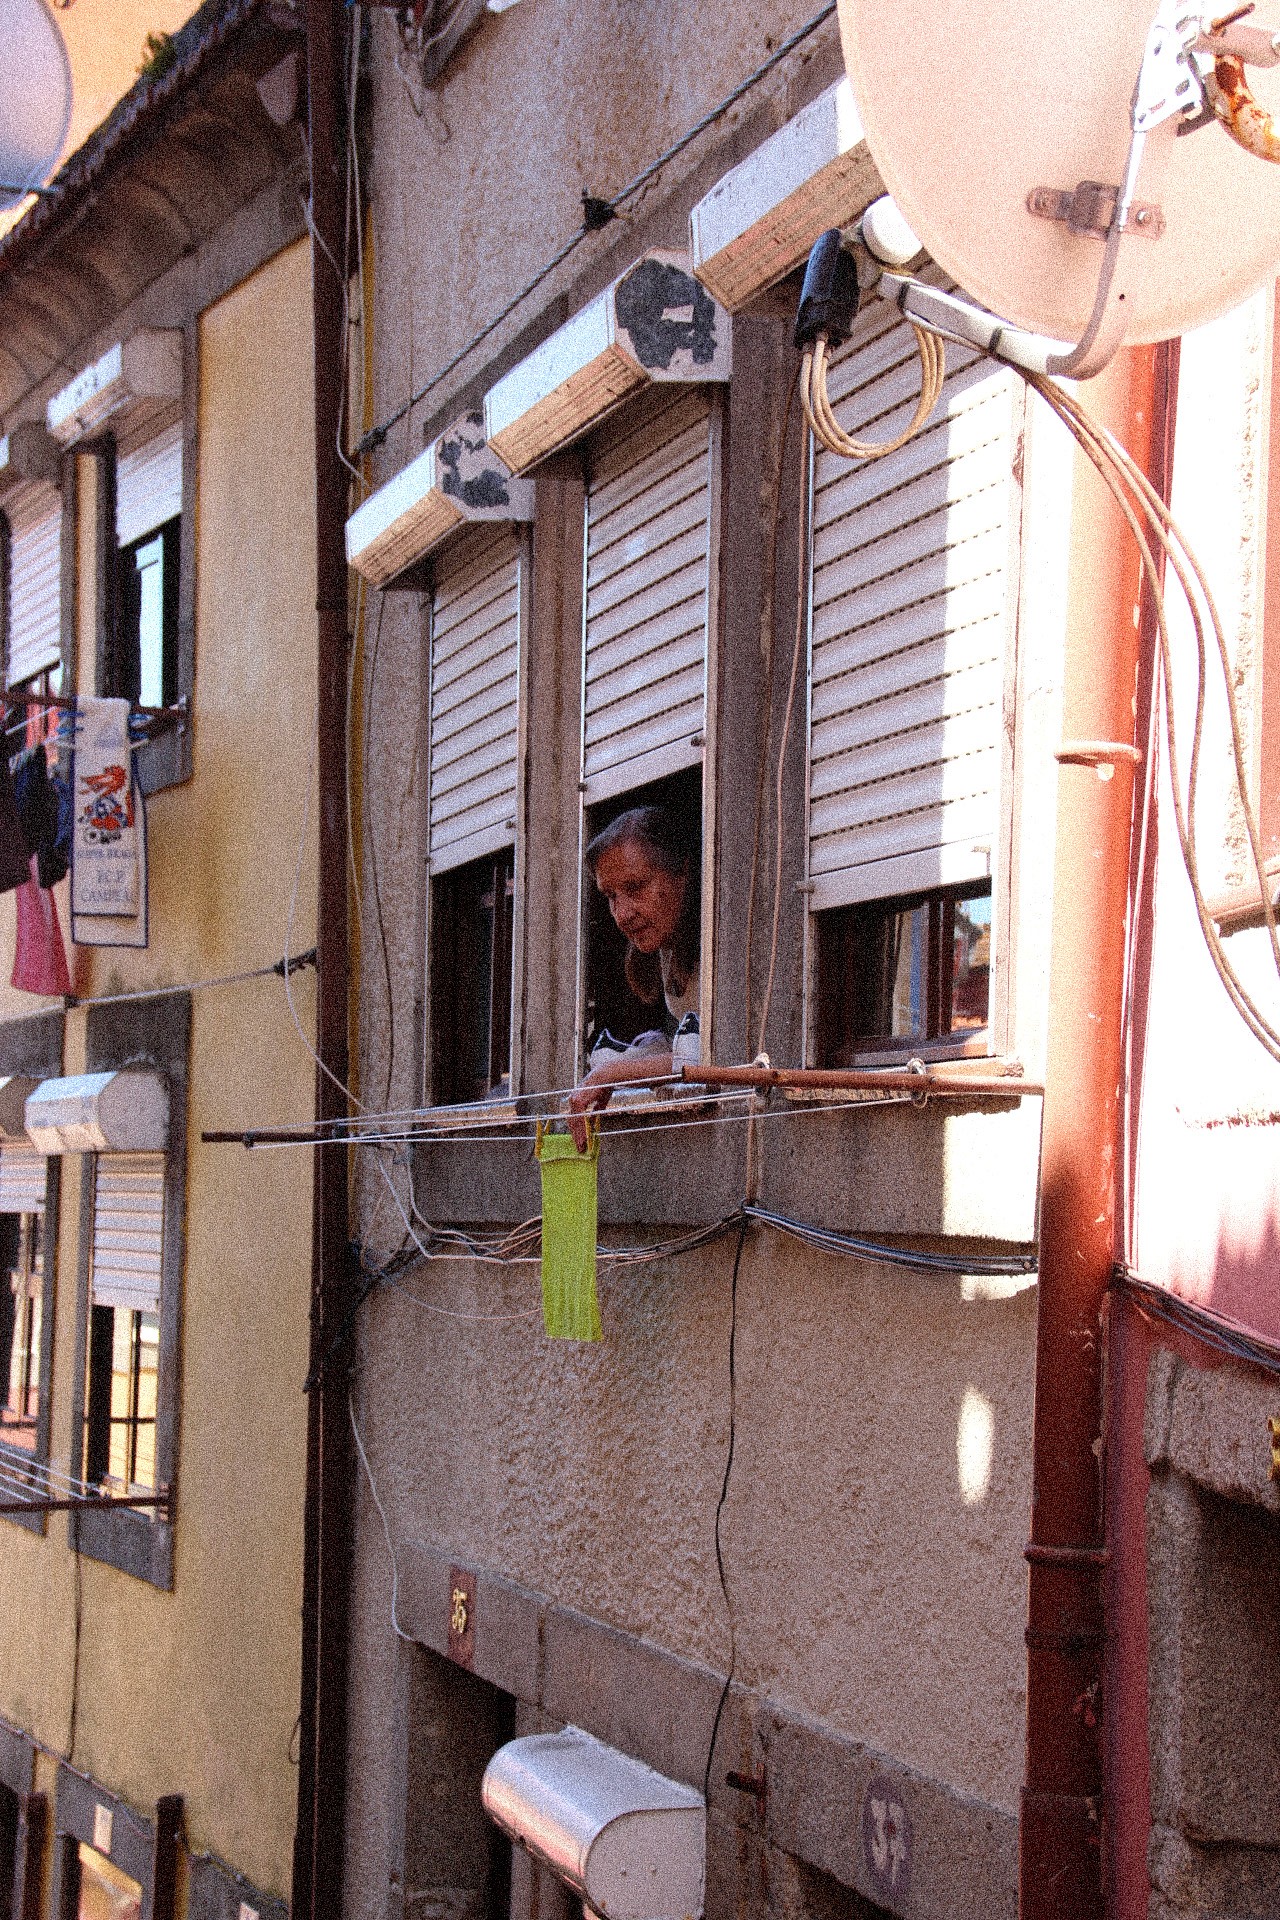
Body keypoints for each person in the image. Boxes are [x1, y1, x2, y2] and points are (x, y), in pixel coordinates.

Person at [568, 804, 699, 1148]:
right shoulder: (665, 947)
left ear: (682, 872)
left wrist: (611, 1073)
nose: (622, 914)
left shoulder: (716, 943)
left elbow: (715, 1059)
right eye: (611, 896)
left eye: (636, 886)